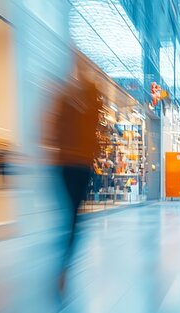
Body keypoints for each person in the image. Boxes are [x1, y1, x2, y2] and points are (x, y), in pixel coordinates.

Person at [47, 56, 103, 293]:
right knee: (71, 217)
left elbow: (93, 126)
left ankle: (63, 264)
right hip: (71, 163)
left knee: (71, 217)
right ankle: (64, 263)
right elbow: (55, 126)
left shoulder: (84, 94)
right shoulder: (70, 95)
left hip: (75, 164)